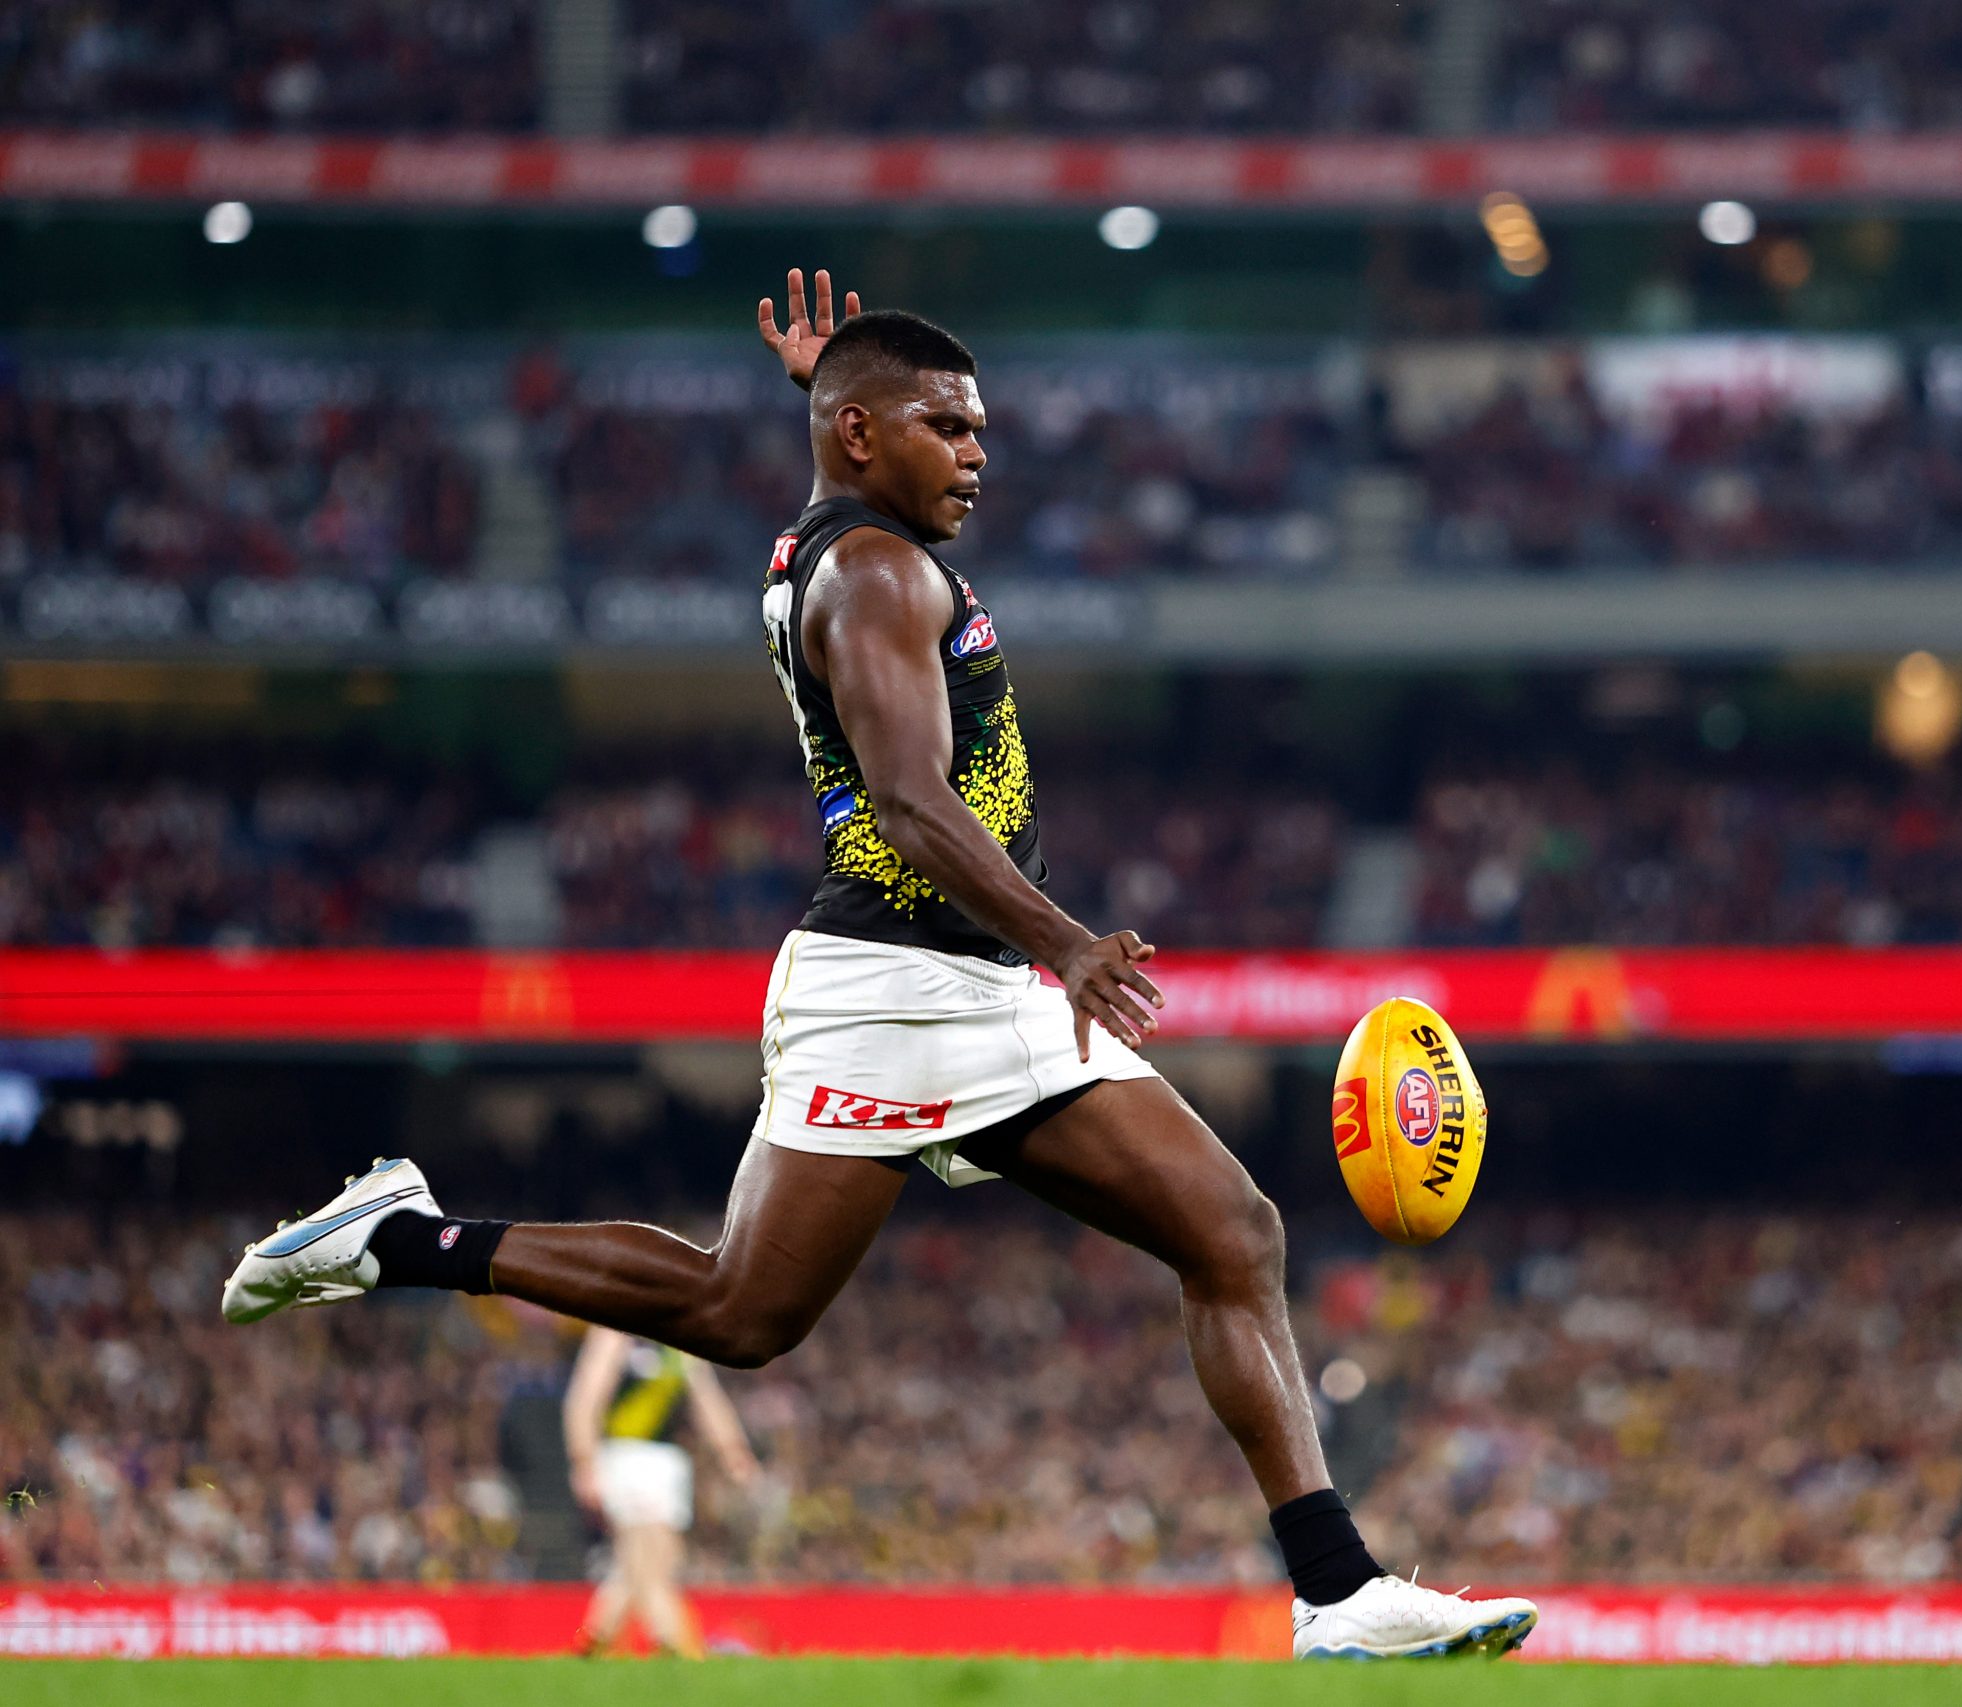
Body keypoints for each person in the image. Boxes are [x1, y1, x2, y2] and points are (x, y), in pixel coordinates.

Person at [221, 269, 1534, 1661]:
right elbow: (909, 799)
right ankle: (397, 1236)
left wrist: (834, 388)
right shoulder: (873, 572)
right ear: (863, 437)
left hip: (974, 987)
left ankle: (1333, 1586)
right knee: (741, 1310)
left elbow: (869, 562)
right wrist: (1066, 940)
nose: (979, 452)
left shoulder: (845, 543)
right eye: (947, 426)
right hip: (897, 989)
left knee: (1233, 1229)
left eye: (979, 429)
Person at [565, 1328, 761, 1659]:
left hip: (667, 1464)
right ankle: (668, 1637)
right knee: (654, 1552)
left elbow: (707, 1400)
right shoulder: (616, 1335)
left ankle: (595, 1635)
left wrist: (734, 1451)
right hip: (625, 1456)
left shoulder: (679, 1343)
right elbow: (586, 1396)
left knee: (637, 1560)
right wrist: (583, 1459)